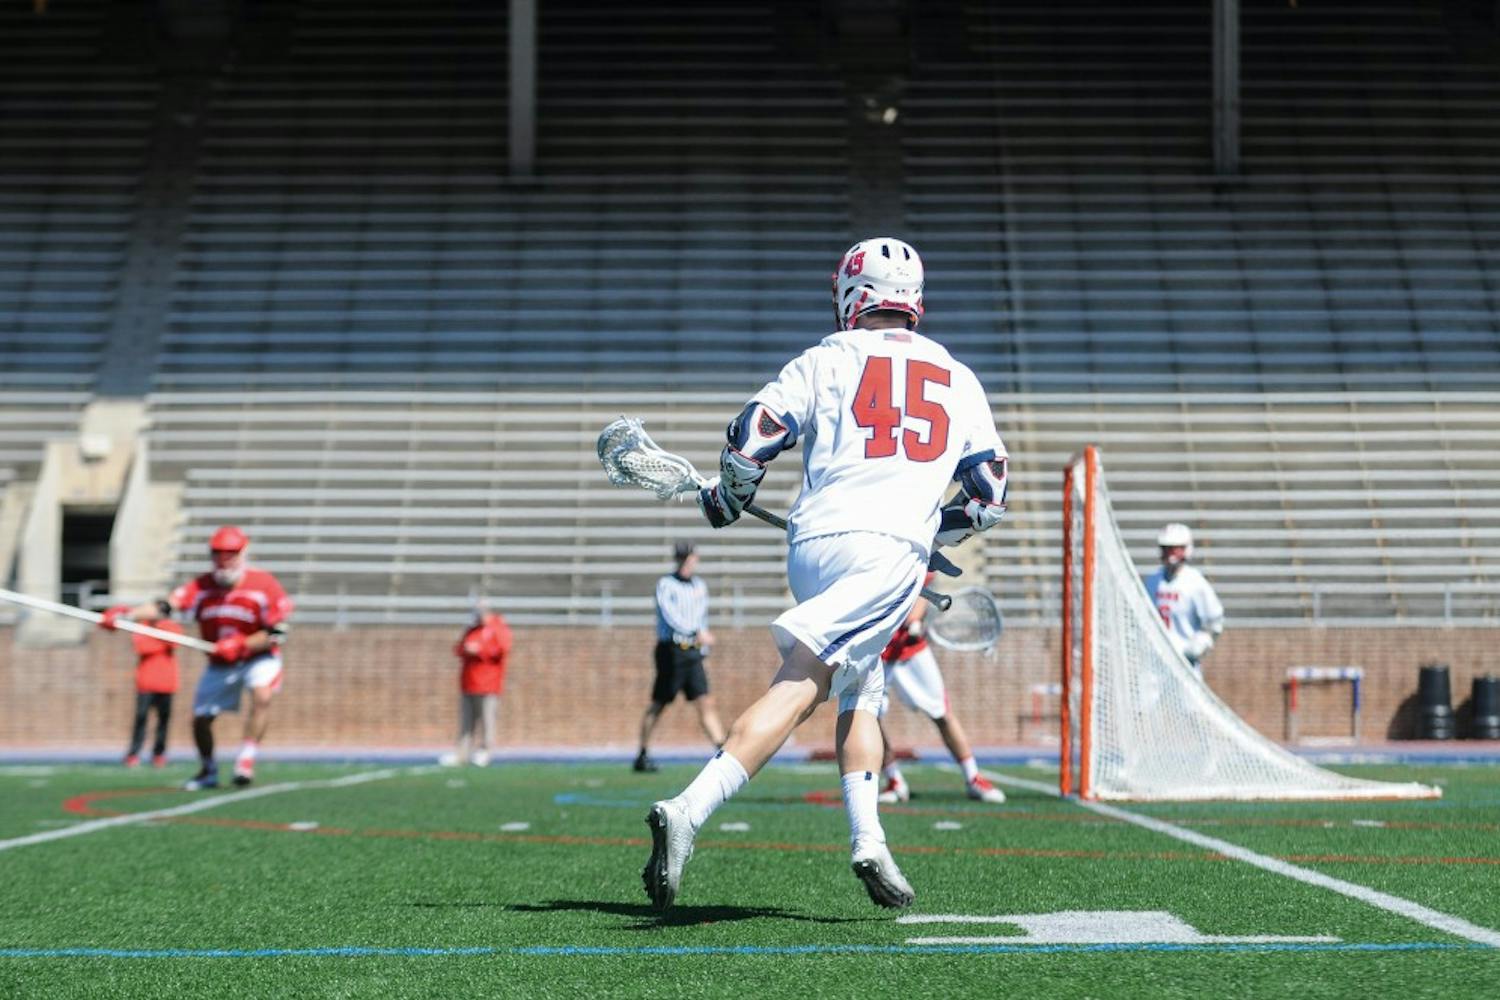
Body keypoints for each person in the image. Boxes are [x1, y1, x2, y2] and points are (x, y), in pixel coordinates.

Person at [641, 237, 1010, 912]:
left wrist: (726, 498)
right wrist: (935, 531)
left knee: (862, 689)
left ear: (850, 293)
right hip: (888, 551)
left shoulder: (825, 357)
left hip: (813, 545)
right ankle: (690, 809)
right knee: (805, 681)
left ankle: (869, 840)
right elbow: (989, 492)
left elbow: (750, 436)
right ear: (914, 299)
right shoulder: (956, 374)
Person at [102, 525, 293, 790]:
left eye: (231, 554)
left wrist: (242, 644)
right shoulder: (202, 586)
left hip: (257, 657)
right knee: (201, 719)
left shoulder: (264, 586)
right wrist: (127, 615)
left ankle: (246, 760)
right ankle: (208, 770)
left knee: (262, 694)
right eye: (218, 553)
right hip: (220, 662)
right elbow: (165, 606)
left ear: (243, 553)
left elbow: (277, 632)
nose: (224, 560)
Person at [871, 577, 1006, 805]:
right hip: (874, 650)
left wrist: (914, 620)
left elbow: (922, 584)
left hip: (909, 649)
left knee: (942, 714)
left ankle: (973, 777)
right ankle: (894, 781)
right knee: (869, 718)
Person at [634, 541, 725, 773]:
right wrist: (696, 632)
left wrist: (702, 648)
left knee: (705, 701)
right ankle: (643, 753)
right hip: (671, 651)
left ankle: (723, 753)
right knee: (660, 702)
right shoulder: (666, 584)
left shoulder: (699, 586)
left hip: (692, 652)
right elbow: (671, 616)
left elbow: (702, 618)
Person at [440, 602, 513, 767]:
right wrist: (466, 649)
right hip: (468, 683)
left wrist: (480, 650)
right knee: (466, 722)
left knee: (487, 721)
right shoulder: (472, 629)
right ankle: (462, 754)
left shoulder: (497, 627)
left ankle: (485, 752)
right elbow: (458, 649)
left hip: (488, 684)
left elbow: (502, 649)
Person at [1144, 522, 1224, 671]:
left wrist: (1200, 643)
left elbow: (1214, 621)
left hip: (1184, 666)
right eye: (1166, 549)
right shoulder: (1153, 580)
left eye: (1175, 549)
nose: (1170, 554)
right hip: (1155, 665)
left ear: (1186, 550)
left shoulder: (1195, 582)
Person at [122, 613, 183, 768]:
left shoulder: (171, 626)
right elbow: (141, 647)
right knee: (141, 719)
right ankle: (134, 753)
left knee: (163, 721)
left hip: (167, 682)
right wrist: (161, 642)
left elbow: (175, 642)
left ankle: (159, 753)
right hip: (146, 682)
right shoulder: (142, 626)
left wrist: (158, 635)